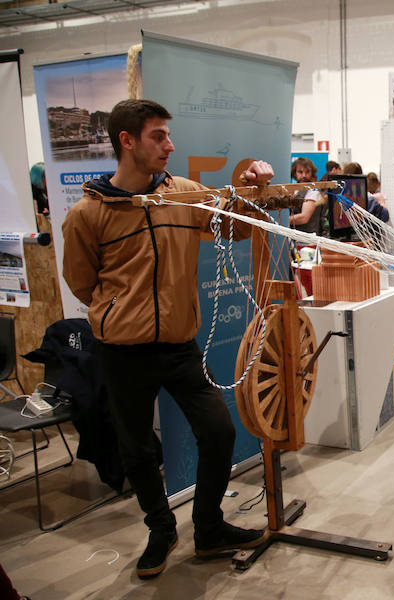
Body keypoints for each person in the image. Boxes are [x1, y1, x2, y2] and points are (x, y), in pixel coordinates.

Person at [61, 99, 273, 579]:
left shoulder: (184, 194)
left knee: (218, 431)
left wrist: (251, 187)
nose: (169, 145)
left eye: (168, 135)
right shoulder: (88, 213)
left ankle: (208, 526)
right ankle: (161, 529)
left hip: (179, 345)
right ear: (127, 141)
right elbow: (81, 282)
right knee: (136, 450)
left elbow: (235, 227)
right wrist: (120, 312)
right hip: (122, 351)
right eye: (158, 136)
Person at [289, 157, 327, 235]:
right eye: (300, 172)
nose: (304, 175)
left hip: (309, 240)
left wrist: (280, 221)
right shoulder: (294, 190)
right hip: (296, 237)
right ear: (294, 173)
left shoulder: (312, 191)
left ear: (311, 173)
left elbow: (304, 218)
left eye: (307, 172)